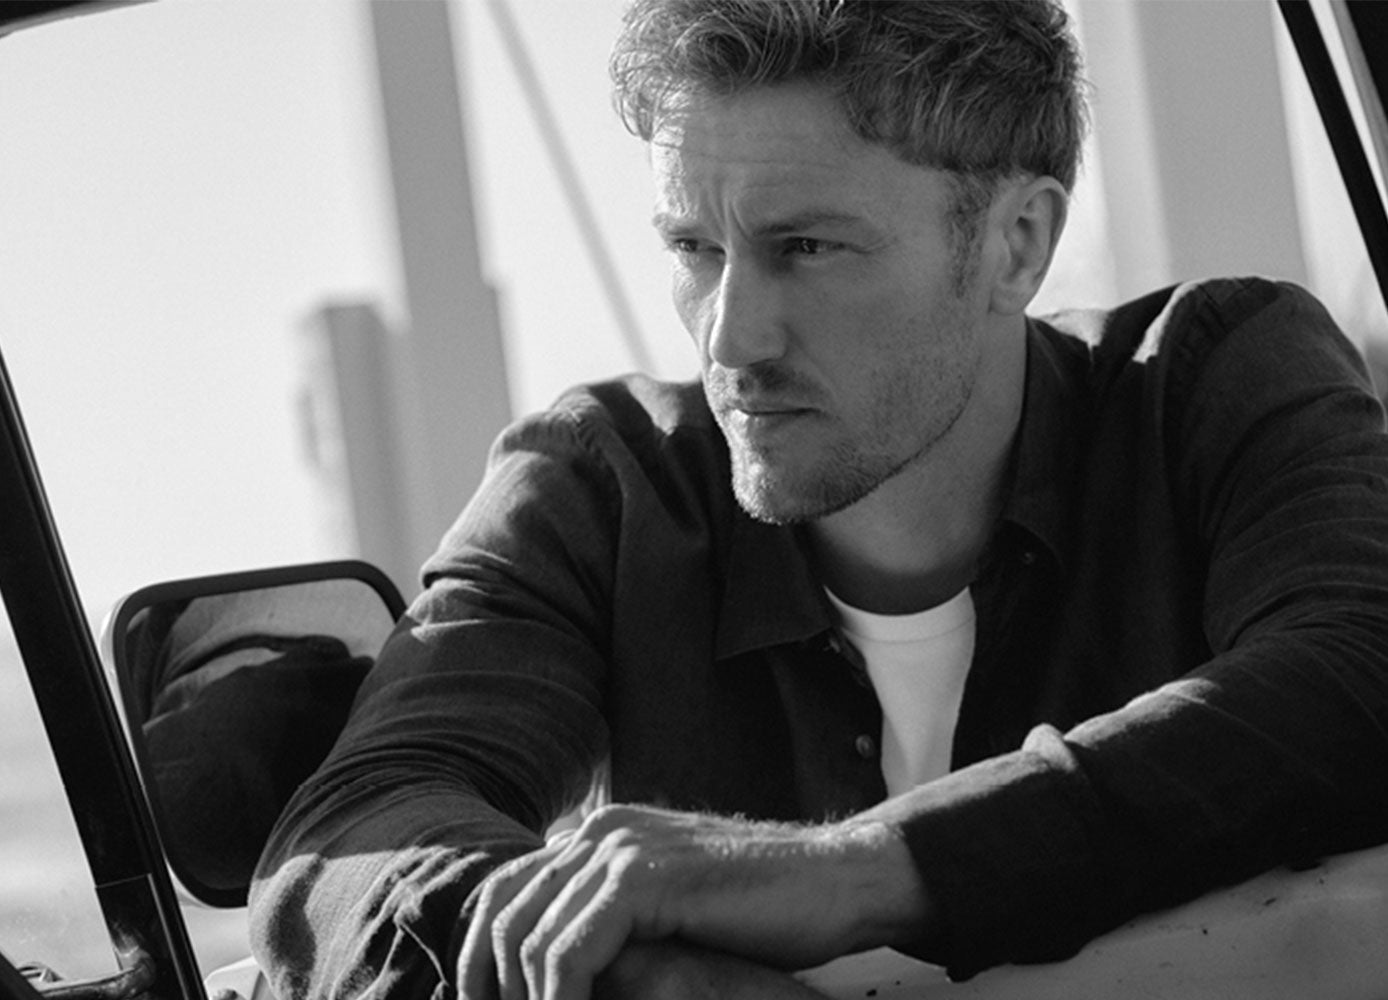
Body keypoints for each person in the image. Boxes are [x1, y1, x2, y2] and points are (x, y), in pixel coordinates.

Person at [250, 2, 1388, 998]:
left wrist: (853, 872)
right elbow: (351, 832)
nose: (730, 337)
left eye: (805, 246)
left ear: (1017, 244)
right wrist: (627, 974)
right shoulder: (599, 485)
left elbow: (1360, 668)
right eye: (694, 247)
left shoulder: (1211, 377)